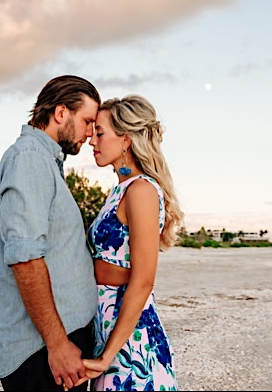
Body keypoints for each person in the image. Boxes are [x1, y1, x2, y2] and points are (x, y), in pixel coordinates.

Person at [0, 75, 102, 391]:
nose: (90, 133)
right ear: (61, 113)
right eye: (87, 121)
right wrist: (57, 344)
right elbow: (25, 258)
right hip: (42, 353)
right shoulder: (29, 159)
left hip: (55, 345)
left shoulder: (45, 161)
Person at [79, 94, 183, 390]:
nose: (92, 141)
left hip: (132, 338)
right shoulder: (120, 190)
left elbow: (143, 280)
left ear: (125, 140)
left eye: (100, 133)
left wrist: (106, 357)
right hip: (107, 327)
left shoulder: (141, 190)